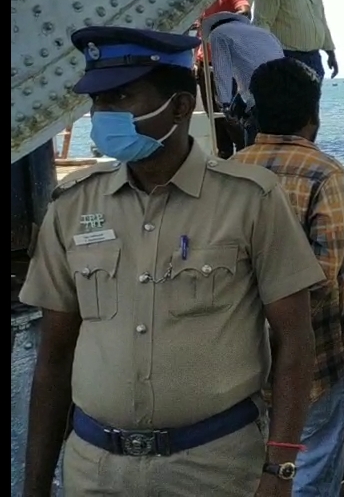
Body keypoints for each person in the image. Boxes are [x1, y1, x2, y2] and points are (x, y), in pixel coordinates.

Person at [19, 26, 324, 497]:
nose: (103, 115)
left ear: (180, 108)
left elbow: (296, 339)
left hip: (214, 471)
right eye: (98, 101)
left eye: (121, 96)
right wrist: (35, 484)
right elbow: (54, 356)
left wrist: (279, 468)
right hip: (95, 473)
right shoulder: (72, 207)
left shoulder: (251, 201)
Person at [232, 58, 344, 497]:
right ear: (313, 114)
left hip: (247, 353)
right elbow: (325, 270)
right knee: (310, 470)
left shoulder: (231, 169)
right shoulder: (323, 172)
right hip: (317, 357)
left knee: (259, 468)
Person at [200, 12, 286, 147]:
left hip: (258, 96)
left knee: (254, 142)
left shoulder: (218, 33)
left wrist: (225, 103)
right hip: (283, 91)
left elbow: (222, 70)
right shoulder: (264, 33)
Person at [254, 0, 338, 80]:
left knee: (311, 101)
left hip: (314, 59)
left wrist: (331, 54)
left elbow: (322, 23)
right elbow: (262, 24)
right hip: (287, 58)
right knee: (289, 100)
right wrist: (268, 60)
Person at [193, 0, 252, 156]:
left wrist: (219, 26)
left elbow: (245, 12)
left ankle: (245, 153)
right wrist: (197, 59)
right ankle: (224, 155)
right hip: (206, 65)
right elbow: (200, 32)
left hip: (227, 64)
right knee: (214, 116)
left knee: (230, 115)